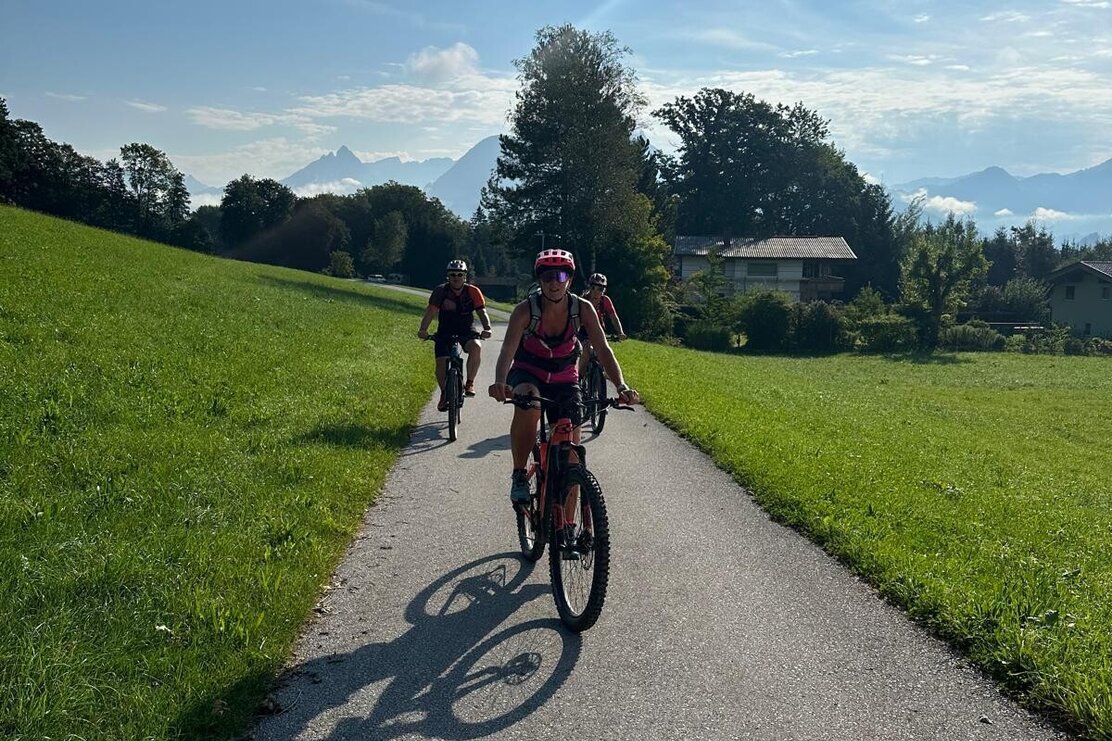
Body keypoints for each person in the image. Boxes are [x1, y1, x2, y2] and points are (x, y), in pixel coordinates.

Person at [488, 249, 639, 503]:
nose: (553, 282)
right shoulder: (525, 311)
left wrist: (621, 385)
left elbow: (603, 349)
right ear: (539, 279)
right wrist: (500, 381)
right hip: (529, 371)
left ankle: (568, 528)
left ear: (569, 279)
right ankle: (519, 474)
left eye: (560, 275)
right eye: (547, 276)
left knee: (572, 457)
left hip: (564, 375)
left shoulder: (583, 309)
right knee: (529, 402)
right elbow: (508, 349)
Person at [417, 260, 492, 411]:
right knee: (441, 362)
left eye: (459, 274)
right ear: (448, 276)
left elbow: (481, 311)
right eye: (452, 275)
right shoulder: (440, 291)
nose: (456, 277)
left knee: (476, 347)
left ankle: (469, 382)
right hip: (445, 331)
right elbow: (431, 311)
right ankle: (444, 393)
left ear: (465, 276)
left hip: (466, 330)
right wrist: (423, 329)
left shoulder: (472, 291)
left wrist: (487, 328)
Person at [577, 272, 627, 379]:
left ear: (603, 290)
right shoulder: (583, 300)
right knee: (587, 351)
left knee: (605, 354)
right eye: (593, 287)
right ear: (589, 287)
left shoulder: (605, 301)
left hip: (599, 329)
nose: (596, 291)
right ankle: (578, 380)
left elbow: (614, 318)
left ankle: (600, 378)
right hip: (583, 329)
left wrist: (620, 332)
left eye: (600, 289)